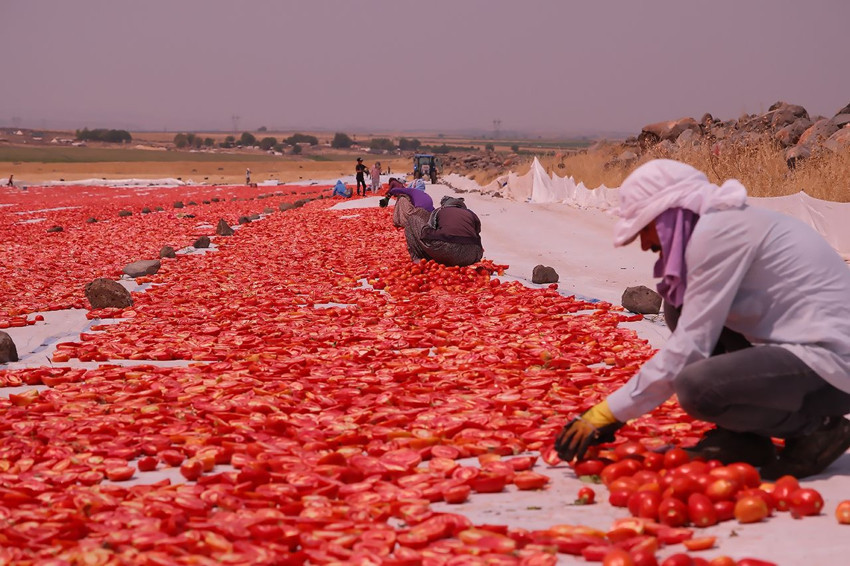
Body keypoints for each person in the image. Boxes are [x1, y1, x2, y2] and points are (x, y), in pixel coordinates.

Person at [554, 159, 850, 479]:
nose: (645, 243)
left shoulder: (719, 234)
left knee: (699, 388)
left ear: (669, 216)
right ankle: (745, 438)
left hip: (833, 366)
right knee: (678, 305)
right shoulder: (721, 223)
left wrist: (608, 413)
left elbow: (688, 348)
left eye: (645, 228)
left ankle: (817, 430)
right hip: (804, 353)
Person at [402, 196, 483, 267]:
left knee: (412, 219)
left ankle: (419, 259)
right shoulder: (471, 214)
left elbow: (429, 229)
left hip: (446, 250)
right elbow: (477, 232)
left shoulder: (439, 210)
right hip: (471, 255)